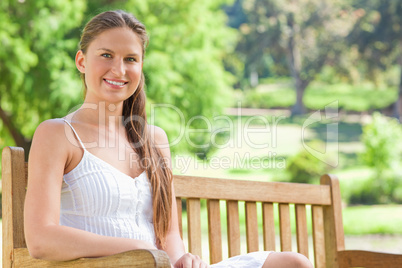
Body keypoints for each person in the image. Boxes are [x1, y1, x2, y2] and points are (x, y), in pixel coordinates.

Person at [24, 10, 313, 268]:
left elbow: (168, 233)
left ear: (140, 67)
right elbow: (41, 239)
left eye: (131, 59)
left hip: (160, 266)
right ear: (82, 61)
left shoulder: (154, 139)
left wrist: (182, 260)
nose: (119, 69)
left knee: (293, 263)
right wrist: (136, 249)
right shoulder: (57, 134)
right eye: (106, 55)